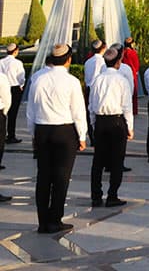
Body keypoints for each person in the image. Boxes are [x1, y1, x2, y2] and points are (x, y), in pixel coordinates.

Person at [26, 43, 87, 234]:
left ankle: (43, 221)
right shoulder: (71, 81)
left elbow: (31, 111)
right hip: (64, 131)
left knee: (43, 176)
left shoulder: (38, 79)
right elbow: (78, 111)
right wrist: (82, 135)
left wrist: (33, 134)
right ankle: (55, 219)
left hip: (42, 129)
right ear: (68, 60)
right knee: (61, 177)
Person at [88, 46, 133, 207]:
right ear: (118, 62)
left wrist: (93, 124)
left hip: (100, 121)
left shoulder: (97, 80)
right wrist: (130, 127)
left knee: (98, 161)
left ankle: (96, 195)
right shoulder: (121, 80)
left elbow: (91, 105)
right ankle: (112, 195)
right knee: (117, 160)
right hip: (116, 122)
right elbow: (126, 106)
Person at [0, 43, 26, 144]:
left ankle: (2, 134)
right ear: (16, 51)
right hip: (14, 88)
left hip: (2, 87)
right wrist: (21, 84)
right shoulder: (17, 63)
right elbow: (21, 77)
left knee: (2, 111)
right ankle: (11, 136)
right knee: (13, 113)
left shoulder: (1, 62)